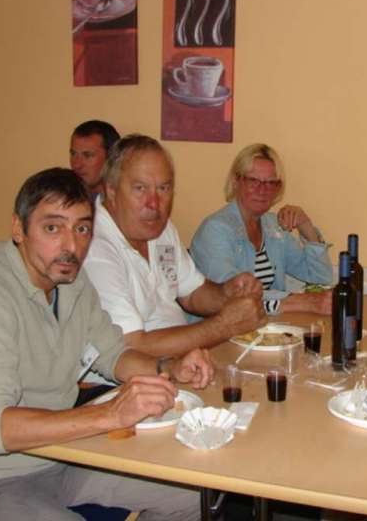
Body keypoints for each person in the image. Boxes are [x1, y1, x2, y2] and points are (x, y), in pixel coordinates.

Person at [0, 167, 213, 520]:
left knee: (190, 496)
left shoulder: (72, 285)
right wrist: (109, 414)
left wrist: (168, 369)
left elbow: (113, 354)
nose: (71, 245)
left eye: (81, 228)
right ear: (18, 229)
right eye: (52, 227)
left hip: (60, 461)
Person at [82, 134, 265, 365]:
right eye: (140, 188)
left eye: (164, 188)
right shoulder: (94, 246)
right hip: (130, 381)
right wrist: (225, 325)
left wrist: (227, 293)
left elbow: (193, 293)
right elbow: (131, 346)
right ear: (111, 191)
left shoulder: (161, 228)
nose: (154, 203)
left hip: (183, 364)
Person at [190, 143, 332, 316]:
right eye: (253, 181)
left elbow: (321, 278)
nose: (262, 190)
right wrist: (298, 302)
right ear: (236, 182)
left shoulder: (273, 226)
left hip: (263, 329)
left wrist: (306, 226)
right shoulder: (215, 230)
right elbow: (234, 297)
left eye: (270, 183)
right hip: (217, 334)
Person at [69, 119, 120, 198]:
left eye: (87, 155)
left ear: (111, 158)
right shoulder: (63, 200)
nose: (76, 165)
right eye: (73, 154)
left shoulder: (125, 203)